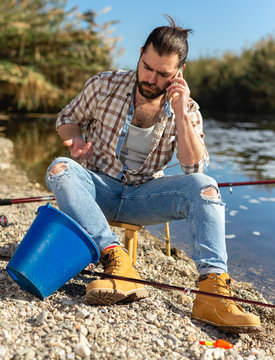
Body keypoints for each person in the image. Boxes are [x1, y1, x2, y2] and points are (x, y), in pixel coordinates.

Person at [46, 16, 261, 333]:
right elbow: (67, 117)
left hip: (144, 196)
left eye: (163, 74)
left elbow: (194, 169)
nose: (151, 78)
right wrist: (75, 138)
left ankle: (212, 294)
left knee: (206, 187)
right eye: (147, 67)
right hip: (98, 188)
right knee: (60, 169)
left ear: (179, 72)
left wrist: (180, 112)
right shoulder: (104, 84)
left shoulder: (186, 109)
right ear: (140, 53)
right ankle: (116, 260)